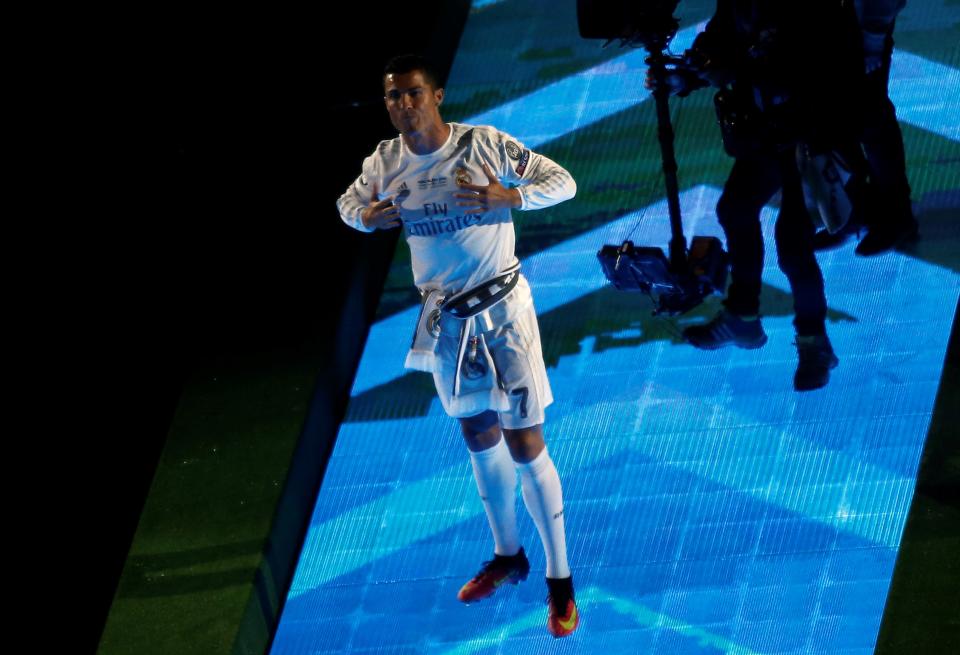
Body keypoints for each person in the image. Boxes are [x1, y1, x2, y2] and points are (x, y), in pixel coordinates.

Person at [337, 54, 579, 638]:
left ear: (437, 95)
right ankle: (507, 555)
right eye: (392, 97)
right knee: (477, 435)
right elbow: (347, 206)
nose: (402, 105)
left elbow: (561, 182)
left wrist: (510, 198)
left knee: (525, 442)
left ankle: (560, 580)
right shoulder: (384, 161)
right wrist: (367, 216)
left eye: (412, 94)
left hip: (505, 313)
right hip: (445, 322)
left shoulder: (484, 145)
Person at [649, 0, 866, 391]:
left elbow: (820, 66)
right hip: (768, 131)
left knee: (793, 244)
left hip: (811, 131)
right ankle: (742, 317)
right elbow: (719, 47)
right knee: (735, 209)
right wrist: (685, 77)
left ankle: (813, 343)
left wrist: (731, 70)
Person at [821, 0, 918, 256]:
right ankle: (860, 212)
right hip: (838, 24)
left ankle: (894, 216)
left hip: (857, 25)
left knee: (871, 122)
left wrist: (873, 38)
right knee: (841, 119)